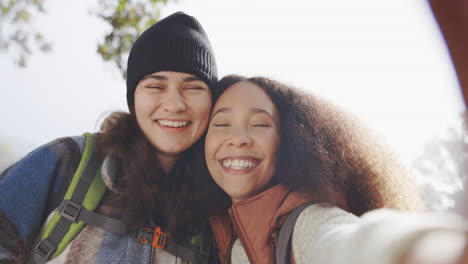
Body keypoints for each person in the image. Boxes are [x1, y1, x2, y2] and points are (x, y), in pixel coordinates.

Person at [0, 12, 220, 264]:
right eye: (155, 86)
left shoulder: (213, 212)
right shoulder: (69, 159)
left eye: (193, 88)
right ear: (133, 99)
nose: (175, 104)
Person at [205, 75, 468, 264]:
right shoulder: (230, 243)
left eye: (260, 124)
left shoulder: (307, 222)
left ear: (288, 141)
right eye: (221, 124)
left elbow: (351, 242)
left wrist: (438, 249)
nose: (238, 138)